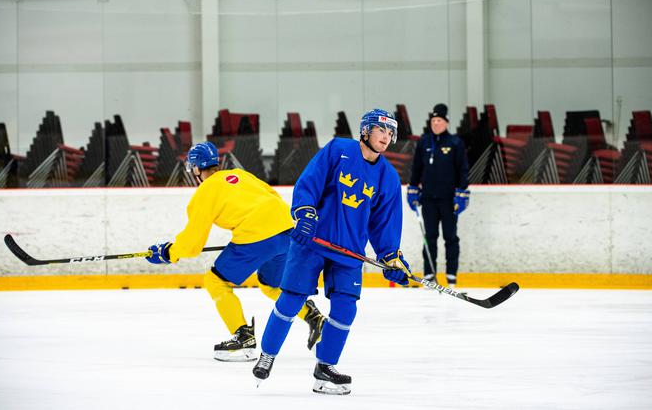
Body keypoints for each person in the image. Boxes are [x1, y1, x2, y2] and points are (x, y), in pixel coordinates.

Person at [251, 109, 411, 395]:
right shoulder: (339, 150)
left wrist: (391, 257)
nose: (386, 138)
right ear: (365, 131)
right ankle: (268, 354)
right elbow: (309, 181)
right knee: (291, 299)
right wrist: (305, 213)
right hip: (313, 241)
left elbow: (384, 224)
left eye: (390, 133)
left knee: (346, 308)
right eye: (380, 131)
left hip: (349, 252)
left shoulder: (387, 177)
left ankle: (325, 368)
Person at [145, 141, 325, 361]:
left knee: (215, 281)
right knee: (271, 286)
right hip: (286, 231)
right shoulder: (240, 175)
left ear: (195, 168)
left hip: (257, 236)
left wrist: (168, 253)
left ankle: (243, 338)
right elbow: (272, 196)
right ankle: (313, 317)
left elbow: (192, 245)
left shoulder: (205, 191)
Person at [407, 104, 469, 286]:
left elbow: (462, 170)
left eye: (439, 120)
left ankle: (451, 276)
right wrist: (412, 189)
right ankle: (429, 275)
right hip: (428, 199)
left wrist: (462, 192)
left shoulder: (455, 143)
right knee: (430, 237)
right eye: (433, 120)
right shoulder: (424, 142)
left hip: (449, 200)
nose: (435, 123)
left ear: (446, 123)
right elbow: (416, 168)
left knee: (450, 237)